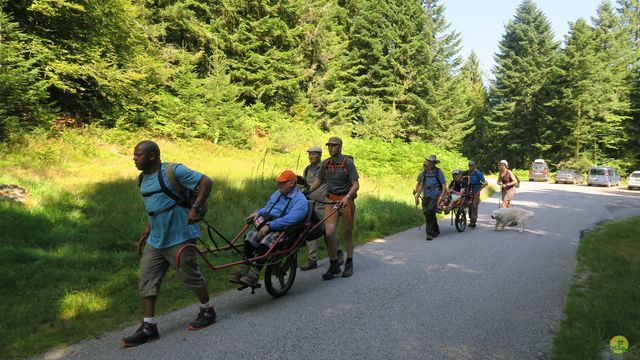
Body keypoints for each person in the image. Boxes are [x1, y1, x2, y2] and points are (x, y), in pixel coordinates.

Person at [121, 140, 215, 348]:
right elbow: (153, 205)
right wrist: (148, 226)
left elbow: (206, 182)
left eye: (138, 155)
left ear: (152, 156)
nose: (134, 158)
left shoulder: (174, 171)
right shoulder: (142, 179)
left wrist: (196, 208)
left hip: (180, 235)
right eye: (134, 155)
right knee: (146, 279)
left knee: (191, 276)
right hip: (156, 239)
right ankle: (149, 327)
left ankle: (207, 310)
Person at [230, 170, 308, 286]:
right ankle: (245, 267)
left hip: (286, 230)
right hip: (270, 224)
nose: (278, 185)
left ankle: (254, 274)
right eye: (278, 182)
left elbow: (292, 219)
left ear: (291, 183)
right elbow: (268, 208)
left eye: (281, 182)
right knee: (250, 236)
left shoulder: (300, 200)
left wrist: (270, 226)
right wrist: (258, 212)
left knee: (267, 240)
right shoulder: (278, 193)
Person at [307, 136, 359, 279]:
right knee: (329, 233)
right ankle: (334, 264)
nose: (331, 148)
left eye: (334, 146)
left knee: (347, 232)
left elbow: (355, 184)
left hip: (346, 201)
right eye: (329, 145)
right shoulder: (326, 163)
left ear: (340, 147)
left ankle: (349, 262)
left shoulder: (347, 163)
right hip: (331, 201)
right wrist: (307, 190)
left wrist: (347, 197)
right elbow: (318, 180)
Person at [299, 146, 344, 271]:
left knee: (327, 230)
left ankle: (338, 252)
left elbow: (333, 184)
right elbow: (308, 185)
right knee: (309, 229)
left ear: (319, 155)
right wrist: (303, 187)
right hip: (310, 203)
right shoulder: (308, 169)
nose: (311, 156)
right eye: (310, 154)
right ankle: (312, 259)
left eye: (314, 154)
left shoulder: (326, 168)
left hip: (324, 204)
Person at [414, 155, 447, 240]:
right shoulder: (424, 172)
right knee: (426, 212)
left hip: (436, 193)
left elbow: (443, 185)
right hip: (427, 194)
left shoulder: (438, 172)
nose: (430, 163)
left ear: (434, 163)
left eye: (432, 162)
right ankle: (436, 230)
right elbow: (421, 185)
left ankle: (429, 233)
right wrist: (417, 196)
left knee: (430, 210)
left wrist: (442, 196)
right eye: (429, 161)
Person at [467, 160, 488, 228]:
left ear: (475, 166)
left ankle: (473, 221)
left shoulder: (477, 172)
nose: (470, 166)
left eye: (471, 165)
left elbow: (485, 182)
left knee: (474, 205)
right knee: (469, 205)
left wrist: (480, 188)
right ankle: (471, 219)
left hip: (476, 190)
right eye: (469, 165)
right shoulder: (468, 172)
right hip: (469, 190)